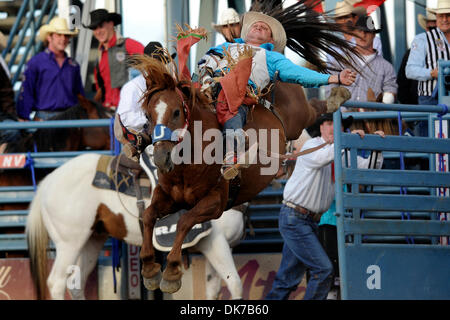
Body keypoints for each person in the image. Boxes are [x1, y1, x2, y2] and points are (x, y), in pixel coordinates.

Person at [198, 10, 357, 179]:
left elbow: (299, 74)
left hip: (238, 97)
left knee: (231, 112)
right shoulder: (224, 48)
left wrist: (335, 77)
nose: (259, 26)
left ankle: (232, 154)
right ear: (246, 33)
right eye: (255, 25)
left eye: (264, 28)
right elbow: (207, 60)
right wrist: (205, 75)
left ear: (271, 40)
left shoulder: (271, 57)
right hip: (208, 89)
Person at [265, 112, 384, 300]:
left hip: (304, 220)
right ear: (321, 127)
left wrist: (376, 144)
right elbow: (325, 157)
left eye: (338, 124)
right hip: (295, 218)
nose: (333, 127)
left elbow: (370, 166)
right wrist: (348, 140)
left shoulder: (337, 152)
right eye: (329, 123)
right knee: (323, 270)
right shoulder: (313, 145)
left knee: (287, 279)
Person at [115, 41, 175, 161]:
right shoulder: (133, 86)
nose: (158, 67)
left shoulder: (167, 87)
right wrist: (154, 121)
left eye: (160, 63)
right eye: (154, 64)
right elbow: (125, 117)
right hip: (144, 138)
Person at [16, 17, 83, 121]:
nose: (63, 39)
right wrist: (23, 116)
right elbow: (27, 91)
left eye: (66, 35)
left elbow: (80, 95)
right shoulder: (35, 63)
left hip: (70, 118)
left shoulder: (73, 65)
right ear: (49, 37)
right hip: (44, 118)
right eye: (59, 35)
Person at [326, 15, 397, 108]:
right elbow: (330, 90)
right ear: (354, 33)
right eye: (359, 31)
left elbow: (391, 91)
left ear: (374, 35)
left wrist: (379, 111)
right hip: (345, 119)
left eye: (367, 31)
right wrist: (341, 113)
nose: (363, 35)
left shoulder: (386, 67)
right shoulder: (340, 61)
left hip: (372, 120)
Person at [84, 9, 144, 110]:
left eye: (101, 26)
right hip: (107, 113)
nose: (98, 31)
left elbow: (153, 61)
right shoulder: (99, 57)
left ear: (111, 24)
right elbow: (101, 89)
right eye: (94, 28)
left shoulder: (128, 45)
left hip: (128, 112)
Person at [406, 0, 450, 135]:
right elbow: (410, 70)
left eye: (448, 15)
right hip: (429, 99)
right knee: (430, 140)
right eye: (441, 16)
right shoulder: (422, 39)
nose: (445, 19)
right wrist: (432, 73)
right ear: (436, 18)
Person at [326, 1, 383, 67]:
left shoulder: (373, 40)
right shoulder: (333, 47)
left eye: (346, 17)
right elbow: (331, 71)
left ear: (355, 18)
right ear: (336, 22)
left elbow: (378, 64)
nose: (343, 21)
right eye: (340, 18)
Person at [397, 12, 436, 106]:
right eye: (432, 29)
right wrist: (411, 109)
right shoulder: (411, 52)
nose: (434, 32)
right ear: (426, 28)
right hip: (419, 108)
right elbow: (403, 82)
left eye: (436, 29)